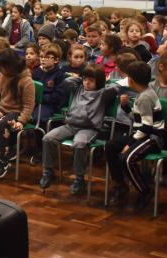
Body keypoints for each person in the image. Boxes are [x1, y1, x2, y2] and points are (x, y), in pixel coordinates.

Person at [39, 65, 119, 194]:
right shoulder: (78, 89)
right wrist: (79, 77)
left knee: (79, 144)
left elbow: (115, 89)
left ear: (98, 82)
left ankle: (79, 179)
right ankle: (48, 171)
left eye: (91, 80)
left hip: (89, 128)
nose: (87, 82)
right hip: (71, 125)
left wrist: (105, 83)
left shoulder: (102, 94)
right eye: (85, 79)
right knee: (47, 138)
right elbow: (67, 81)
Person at [104, 61, 167, 211]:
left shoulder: (145, 97)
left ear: (131, 80)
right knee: (110, 146)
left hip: (152, 138)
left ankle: (145, 190)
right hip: (142, 134)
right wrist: (126, 107)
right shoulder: (143, 94)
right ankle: (120, 184)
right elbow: (138, 119)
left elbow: (147, 127)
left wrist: (130, 142)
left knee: (126, 159)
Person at [0, 48, 36, 179]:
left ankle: (3, 160)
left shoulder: (27, 81)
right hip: (2, 109)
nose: (0, 69)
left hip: (17, 112)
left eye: (2, 66)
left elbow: (28, 106)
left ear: (11, 66)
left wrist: (21, 121)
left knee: (2, 124)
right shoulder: (1, 76)